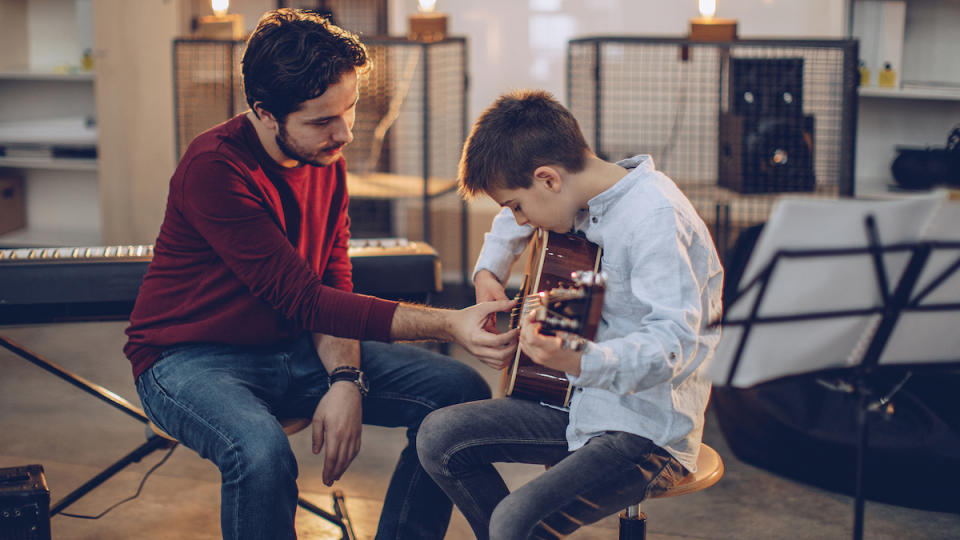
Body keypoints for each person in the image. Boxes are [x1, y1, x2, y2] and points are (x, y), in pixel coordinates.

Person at [124, 9, 517, 540]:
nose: (345, 134)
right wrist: (450, 325)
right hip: (187, 358)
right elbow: (308, 301)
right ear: (264, 113)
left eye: (350, 110)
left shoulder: (323, 155)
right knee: (259, 451)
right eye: (321, 121)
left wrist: (346, 379)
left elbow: (333, 276)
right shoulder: (214, 168)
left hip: (292, 349)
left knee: (457, 391)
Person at [416, 89, 724, 540]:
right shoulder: (581, 195)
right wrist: (488, 270)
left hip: (645, 430)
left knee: (511, 522)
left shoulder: (653, 217)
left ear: (548, 179)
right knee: (439, 437)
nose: (519, 221)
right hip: (577, 403)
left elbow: (674, 343)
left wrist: (578, 360)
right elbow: (512, 222)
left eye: (517, 206)